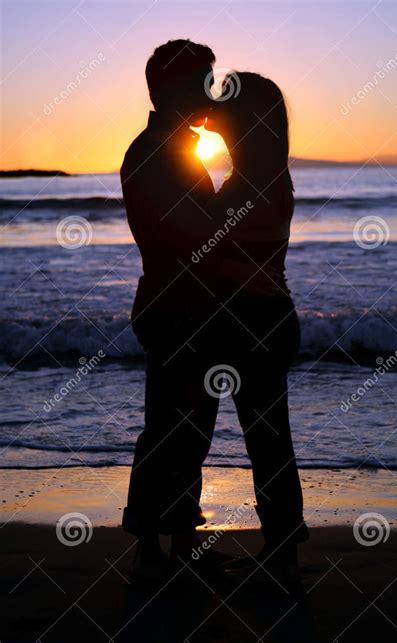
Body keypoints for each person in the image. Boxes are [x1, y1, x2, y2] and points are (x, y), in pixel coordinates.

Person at [120, 41, 278, 584]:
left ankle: (178, 544)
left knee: (186, 430)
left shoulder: (165, 148)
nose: (212, 93)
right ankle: (148, 551)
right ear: (169, 89)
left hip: (184, 308)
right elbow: (187, 235)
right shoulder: (152, 153)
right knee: (169, 428)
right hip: (175, 309)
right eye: (202, 81)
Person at [196, 72, 310, 583]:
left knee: (266, 441)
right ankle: (282, 547)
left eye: (227, 101)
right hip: (264, 318)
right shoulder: (264, 171)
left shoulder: (257, 179)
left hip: (256, 321)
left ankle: (283, 553)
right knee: (268, 440)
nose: (217, 107)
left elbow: (222, 251)